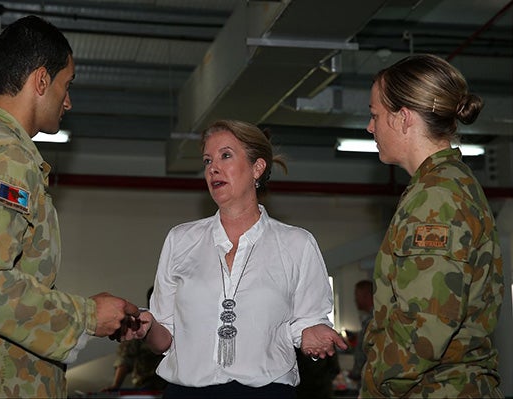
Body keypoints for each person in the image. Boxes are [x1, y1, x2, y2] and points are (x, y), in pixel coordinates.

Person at [0, 15, 140, 398]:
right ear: (40, 81)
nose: (68, 100)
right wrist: (86, 315)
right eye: (65, 85)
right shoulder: (7, 157)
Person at [123, 119, 347, 398]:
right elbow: (164, 338)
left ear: (257, 167)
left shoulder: (296, 244)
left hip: (267, 393)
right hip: (188, 392)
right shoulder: (180, 240)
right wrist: (148, 327)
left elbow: (309, 321)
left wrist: (313, 332)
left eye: (225, 155)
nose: (213, 168)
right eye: (207, 161)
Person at [360, 54, 504, 398]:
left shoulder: (436, 196)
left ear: (403, 118)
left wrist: (372, 385)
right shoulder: (446, 183)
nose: (370, 126)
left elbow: (423, 332)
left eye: (375, 114)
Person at [103, 287, 167, 392]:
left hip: (175, 384)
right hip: (147, 385)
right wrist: (116, 385)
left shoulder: (180, 325)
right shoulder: (139, 324)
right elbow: (125, 360)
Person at [348, 279, 373, 389]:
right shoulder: (371, 319)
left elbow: (364, 353)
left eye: (357, 295)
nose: (355, 299)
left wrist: (356, 373)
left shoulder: (373, 321)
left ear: (366, 296)